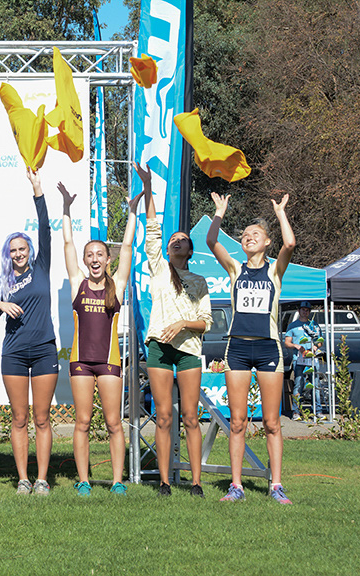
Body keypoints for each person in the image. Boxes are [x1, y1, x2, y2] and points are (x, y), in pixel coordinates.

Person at [206, 191, 296, 504]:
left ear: (267, 242)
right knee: (238, 421)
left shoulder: (274, 270)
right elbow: (211, 242)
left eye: (255, 234)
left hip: (270, 349)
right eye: (245, 235)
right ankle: (236, 485)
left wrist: (281, 213)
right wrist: (219, 213)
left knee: (271, 422)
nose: (248, 237)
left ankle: (276, 485)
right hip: (238, 350)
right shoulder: (234, 269)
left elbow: (291, 245)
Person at [59, 179, 143, 496]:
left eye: (100, 255)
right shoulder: (77, 283)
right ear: (85, 261)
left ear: (108, 260)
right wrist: (66, 208)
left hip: (109, 363)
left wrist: (132, 212)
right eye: (90, 255)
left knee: (113, 424)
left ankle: (118, 482)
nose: (95, 259)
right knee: (81, 422)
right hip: (80, 363)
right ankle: (83, 480)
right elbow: (67, 245)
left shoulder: (117, 285)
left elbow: (129, 248)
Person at [134, 163, 212, 498]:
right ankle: (164, 482)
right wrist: (149, 188)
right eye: (173, 240)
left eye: (183, 240)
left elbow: (206, 322)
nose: (177, 241)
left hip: (189, 351)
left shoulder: (199, 281)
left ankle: (195, 483)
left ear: (190, 251)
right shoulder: (159, 269)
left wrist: (182, 324)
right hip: (159, 349)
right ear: (167, 250)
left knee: (191, 417)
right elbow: (151, 228)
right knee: (163, 416)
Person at [0, 168, 57, 496]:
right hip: (13, 354)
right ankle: (23, 479)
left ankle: (42, 479)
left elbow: (45, 229)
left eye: (22, 248)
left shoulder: (41, 267)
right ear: (7, 254)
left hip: (43, 350)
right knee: (19, 417)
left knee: (42, 418)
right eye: (12, 250)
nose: (18, 254)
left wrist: (38, 191)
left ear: (29, 250)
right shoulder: (1, 284)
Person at [284, 301, 324, 420]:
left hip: (311, 359)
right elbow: (287, 342)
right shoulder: (293, 326)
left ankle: (318, 410)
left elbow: (320, 340)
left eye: (307, 310)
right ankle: (296, 411)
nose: (305, 312)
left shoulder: (314, 325)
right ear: (299, 311)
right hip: (299, 360)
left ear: (309, 312)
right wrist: (296, 346)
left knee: (315, 385)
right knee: (298, 385)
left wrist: (315, 347)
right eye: (303, 309)